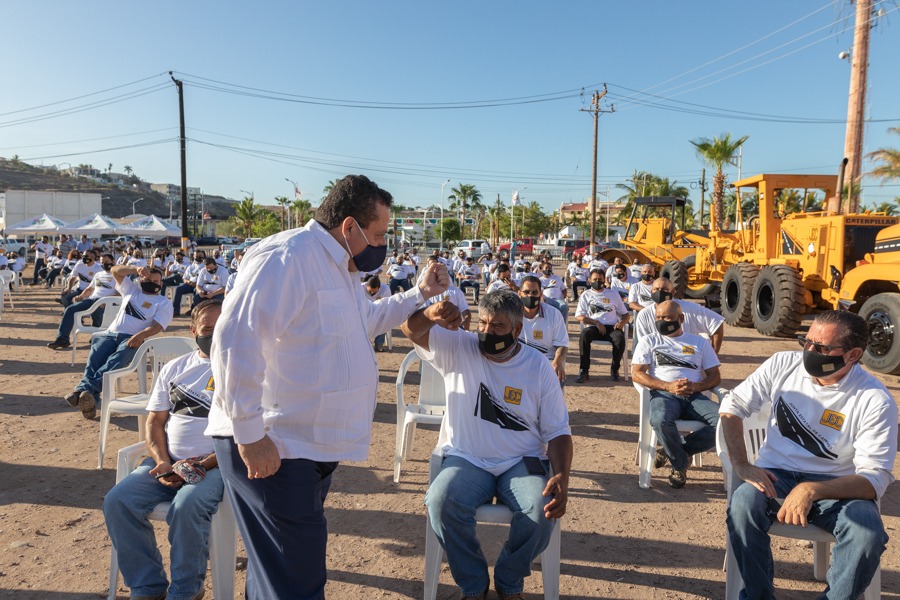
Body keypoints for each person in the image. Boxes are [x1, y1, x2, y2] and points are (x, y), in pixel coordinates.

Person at [204, 174, 450, 600]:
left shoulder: (339, 266)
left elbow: (364, 322)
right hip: (275, 444)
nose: (383, 243)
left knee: (280, 572)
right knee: (296, 580)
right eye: (378, 233)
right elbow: (235, 339)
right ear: (350, 227)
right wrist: (249, 434)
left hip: (307, 446)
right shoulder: (287, 257)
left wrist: (419, 293)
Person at [401, 290, 572, 600]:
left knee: (541, 509)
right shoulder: (460, 346)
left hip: (522, 460)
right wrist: (429, 314)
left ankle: (509, 582)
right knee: (440, 502)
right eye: (482, 323)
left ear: (517, 330)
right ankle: (474, 585)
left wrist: (562, 475)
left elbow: (558, 431)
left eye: (497, 327)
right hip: (467, 457)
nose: (486, 332)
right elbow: (409, 330)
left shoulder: (538, 367)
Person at [720, 311, 897, 600]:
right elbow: (732, 406)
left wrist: (811, 489)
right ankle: (757, 595)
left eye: (822, 348)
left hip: (838, 487)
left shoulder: (873, 399)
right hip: (775, 475)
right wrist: (741, 464)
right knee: (742, 506)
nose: (810, 352)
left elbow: (873, 478)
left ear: (853, 354)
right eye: (807, 341)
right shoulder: (783, 364)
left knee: (867, 534)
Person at [103, 299, 224, 600]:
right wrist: (163, 461)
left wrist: (197, 467)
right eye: (208, 328)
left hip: (218, 466)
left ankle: (186, 590)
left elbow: (241, 436)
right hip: (167, 462)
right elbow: (155, 421)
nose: (215, 334)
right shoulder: (176, 367)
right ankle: (147, 586)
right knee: (118, 501)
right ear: (194, 330)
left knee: (187, 506)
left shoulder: (245, 370)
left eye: (222, 327)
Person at [63, 265, 173, 420]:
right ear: (141, 279)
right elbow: (115, 271)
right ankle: (89, 397)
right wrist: (136, 269)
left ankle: (82, 390)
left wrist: (140, 336)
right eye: (148, 279)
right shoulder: (132, 290)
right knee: (94, 360)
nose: (152, 283)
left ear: (161, 283)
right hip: (110, 334)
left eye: (156, 281)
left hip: (133, 338)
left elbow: (157, 327)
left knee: (115, 361)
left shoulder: (163, 302)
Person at [631, 300, 721, 488]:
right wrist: (667, 386)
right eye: (658, 317)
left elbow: (715, 376)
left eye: (667, 317)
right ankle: (680, 463)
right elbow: (637, 373)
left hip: (693, 396)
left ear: (681, 318)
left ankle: (676, 451)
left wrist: (695, 387)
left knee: (725, 421)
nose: (661, 321)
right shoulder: (650, 341)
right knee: (659, 420)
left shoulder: (700, 342)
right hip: (664, 395)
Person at [633, 278, 724, 353]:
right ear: (651, 291)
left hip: (687, 352)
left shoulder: (690, 309)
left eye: (664, 289)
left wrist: (713, 354)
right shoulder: (644, 315)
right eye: (656, 289)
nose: (660, 292)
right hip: (660, 356)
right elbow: (645, 345)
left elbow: (716, 322)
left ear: (672, 292)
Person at [47, 254, 118, 350]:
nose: (104, 264)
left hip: (106, 303)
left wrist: (106, 301)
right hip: (92, 300)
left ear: (113, 261)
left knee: (97, 313)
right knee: (70, 309)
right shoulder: (99, 274)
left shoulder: (118, 276)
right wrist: (81, 296)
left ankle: (97, 335)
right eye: (102, 262)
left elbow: (120, 293)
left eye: (106, 262)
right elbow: (89, 289)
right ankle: (62, 339)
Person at [575, 269, 629, 383]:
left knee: (620, 339)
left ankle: (614, 370)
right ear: (589, 280)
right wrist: (595, 322)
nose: (597, 281)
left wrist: (622, 322)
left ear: (605, 280)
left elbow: (626, 314)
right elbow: (579, 316)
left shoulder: (613, 294)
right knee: (584, 335)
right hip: (594, 327)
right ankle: (584, 371)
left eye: (600, 279)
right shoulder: (586, 295)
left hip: (612, 327)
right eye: (594, 279)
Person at [518, 277, 568, 385]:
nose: (531, 296)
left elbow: (562, 345)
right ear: (519, 293)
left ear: (540, 294)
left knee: (556, 379)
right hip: (519, 361)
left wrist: (558, 362)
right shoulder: (511, 315)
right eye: (526, 292)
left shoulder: (554, 314)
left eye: (535, 292)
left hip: (546, 362)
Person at [172, 251, 206, 318]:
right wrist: (188, 282)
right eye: (196, 256)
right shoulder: (190, 267)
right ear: (194, 256)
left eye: (200, 255)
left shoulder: (205, 267)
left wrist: (197, 284)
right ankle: (176, 310)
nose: (198, 257)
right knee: (178, 289)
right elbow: (184, 278)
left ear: (203, 256)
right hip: (189, 284)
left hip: (200, 285)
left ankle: (193, 309)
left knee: (196, 292)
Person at [363, 275, 392, 351]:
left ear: (379, 288)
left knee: (384, 320)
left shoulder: (385, 289)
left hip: (379, 312)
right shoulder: (360, 288)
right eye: (370, 291)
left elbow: (388, 305)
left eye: (374, 291)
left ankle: (379, 345)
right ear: (366, 285)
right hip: (365, 312)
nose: (372, 292)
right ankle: (366, 343)